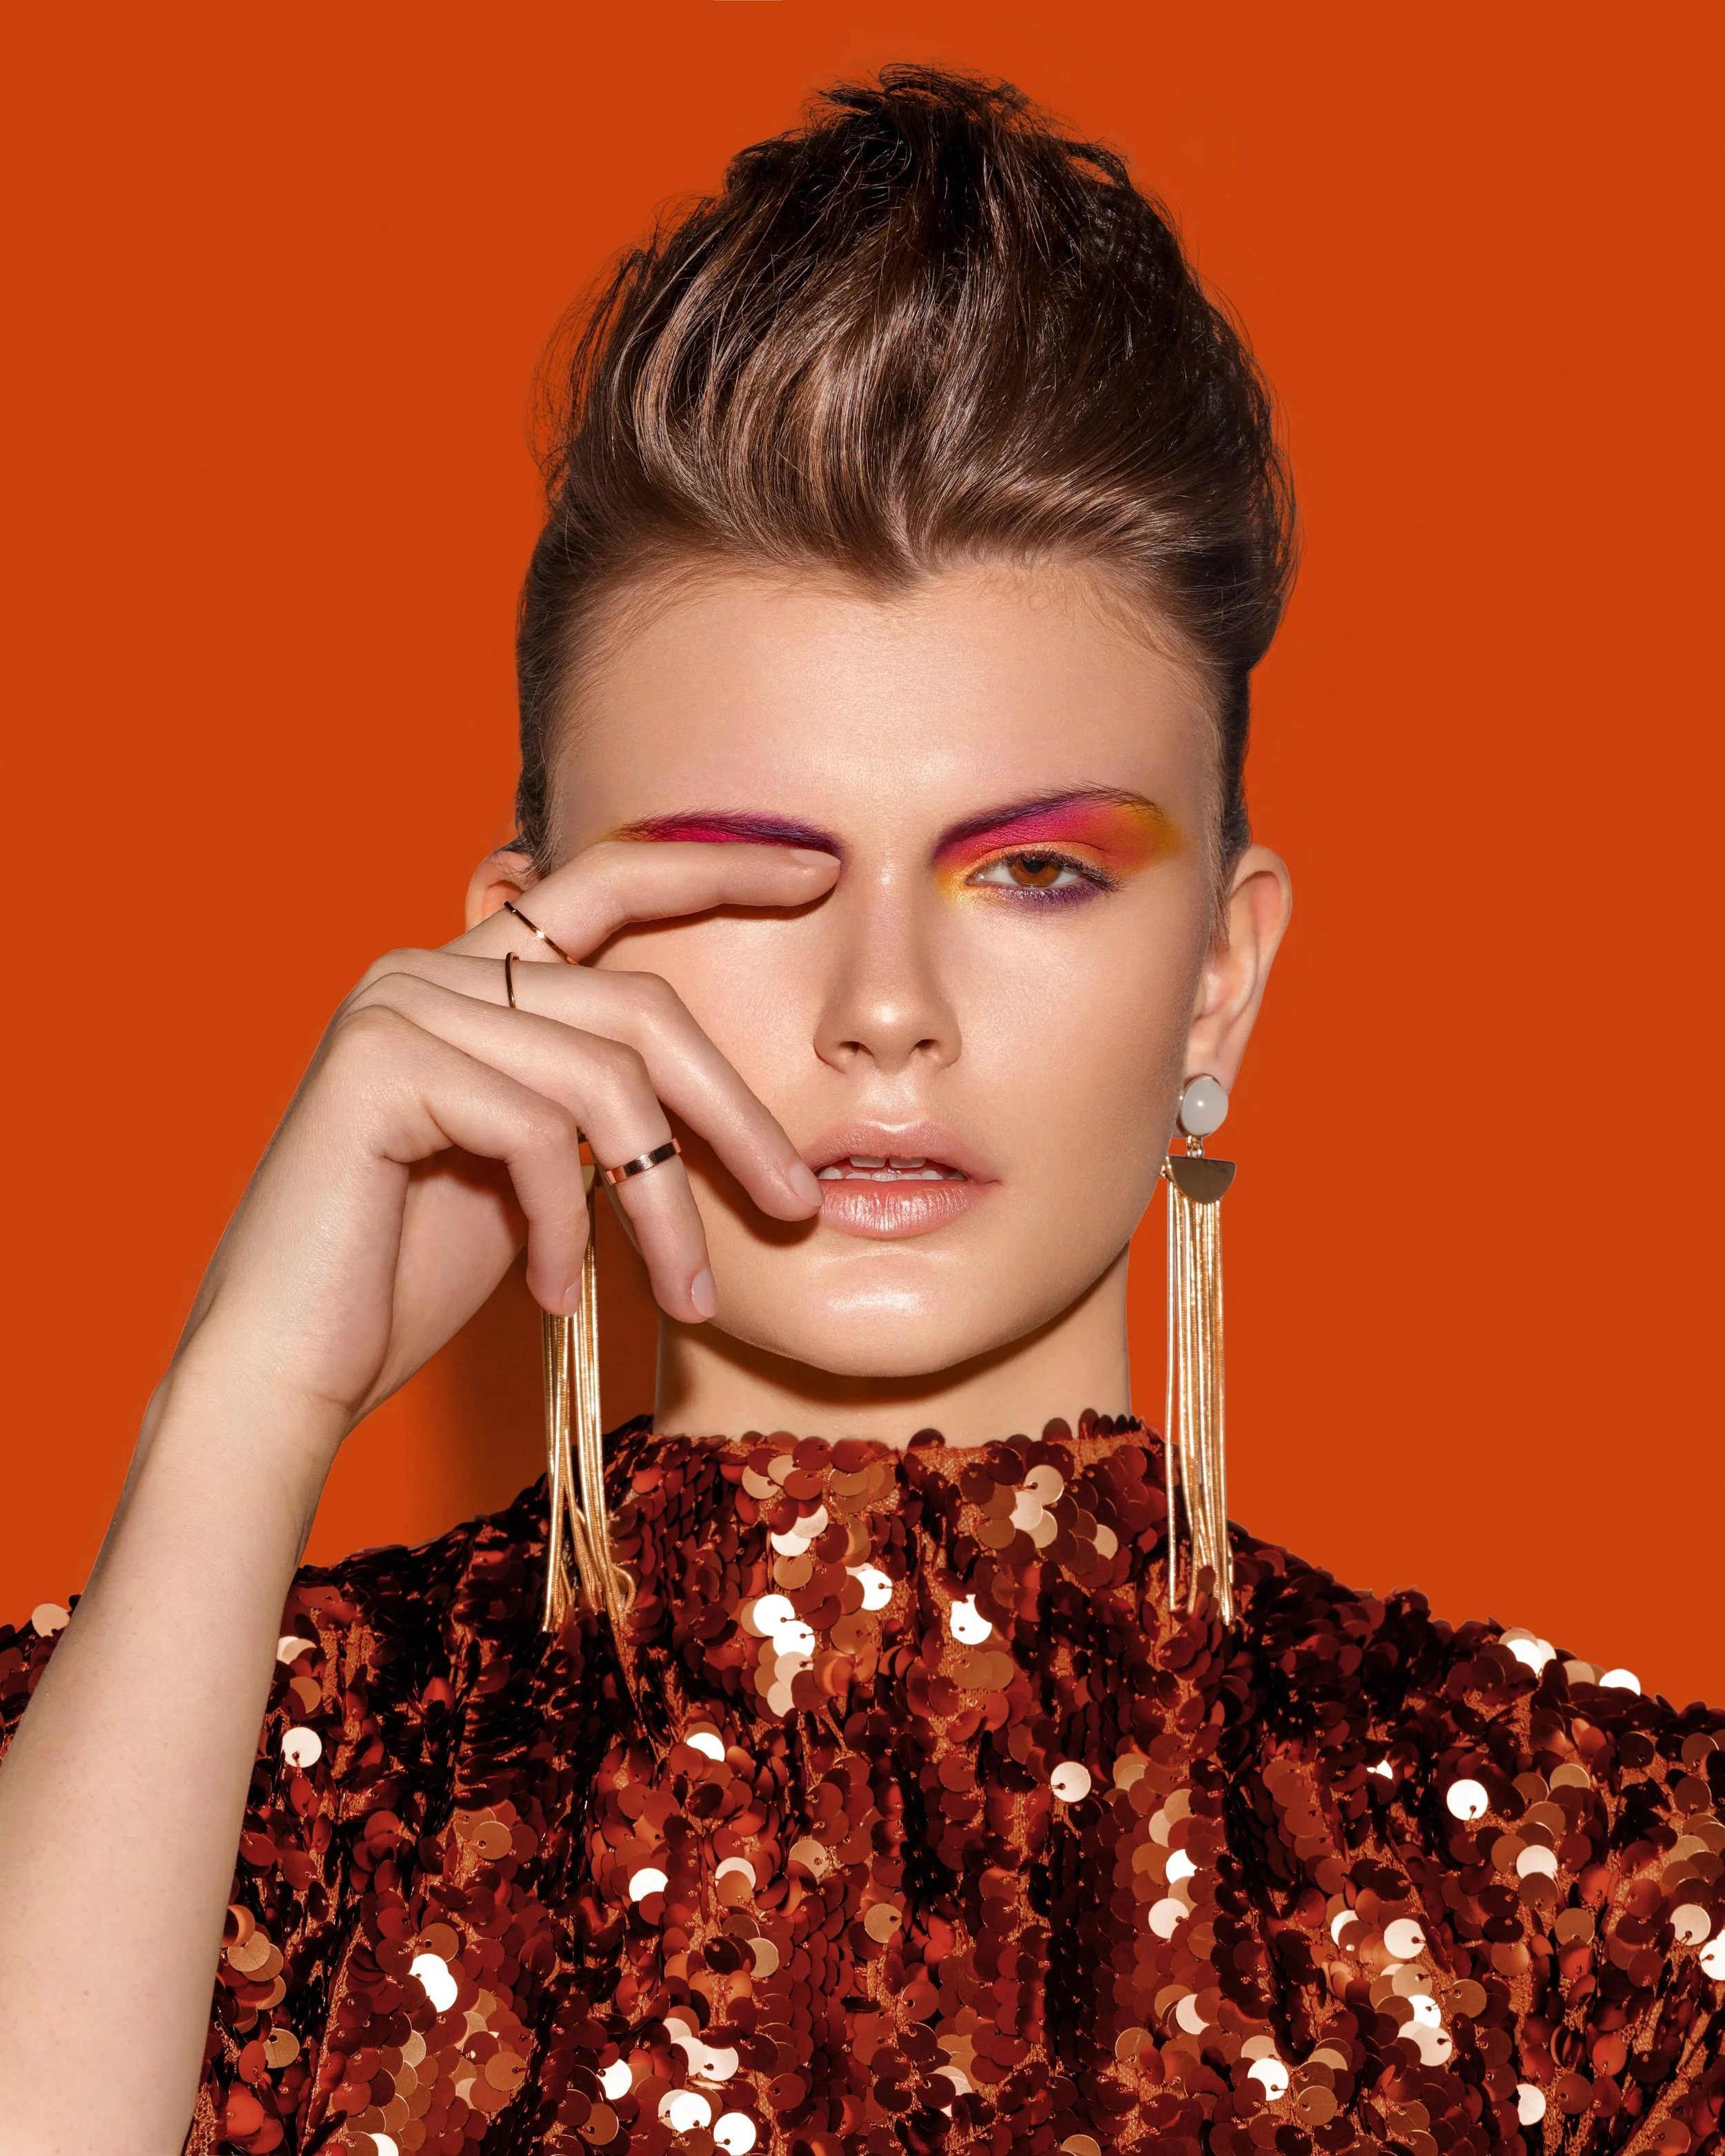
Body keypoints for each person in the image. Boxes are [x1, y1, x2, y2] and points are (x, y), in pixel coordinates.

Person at [0, 63, 1719, 2156]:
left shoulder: (1622, 1910)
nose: (883, 1009)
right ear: (525, 965)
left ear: (1221, 972)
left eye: (1035, 872)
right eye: (756, 876)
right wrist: (249, 1399)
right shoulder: (140, 1788)